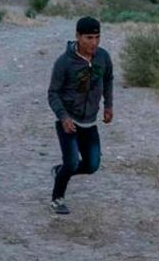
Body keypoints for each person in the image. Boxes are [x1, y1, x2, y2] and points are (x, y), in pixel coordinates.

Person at [46, 16, 114, 215]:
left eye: (97, 37)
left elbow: (108, 79)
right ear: (78, 36)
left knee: (92, 165)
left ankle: (60, 171)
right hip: (69, 121)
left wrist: (108, 105)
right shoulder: (64, 62)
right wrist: (63, 117)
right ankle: (57, 199)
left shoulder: (103, 57)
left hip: (89, 122)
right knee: (72, 162)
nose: (94, 43)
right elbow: (53, 93)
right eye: (89, 38)